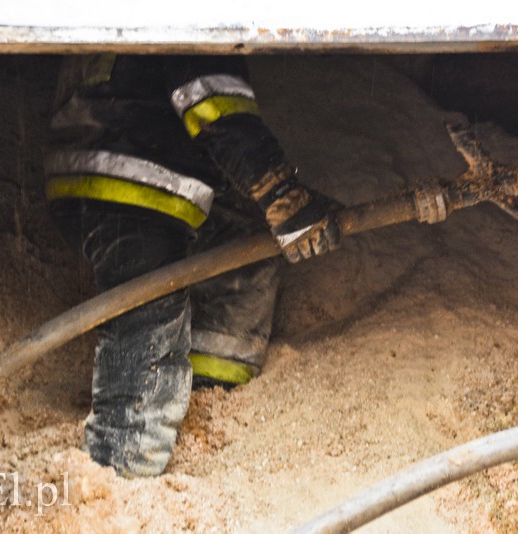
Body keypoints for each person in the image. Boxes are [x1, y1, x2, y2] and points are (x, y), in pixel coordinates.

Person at [44, 53, 341, 477]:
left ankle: (212, 385)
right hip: (135, 174)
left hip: (99, 165)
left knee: (245, 239)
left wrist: (280, 206)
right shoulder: (201, 26)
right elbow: (215, 99)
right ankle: (122, 461)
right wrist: (280, 193)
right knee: (148, 321)